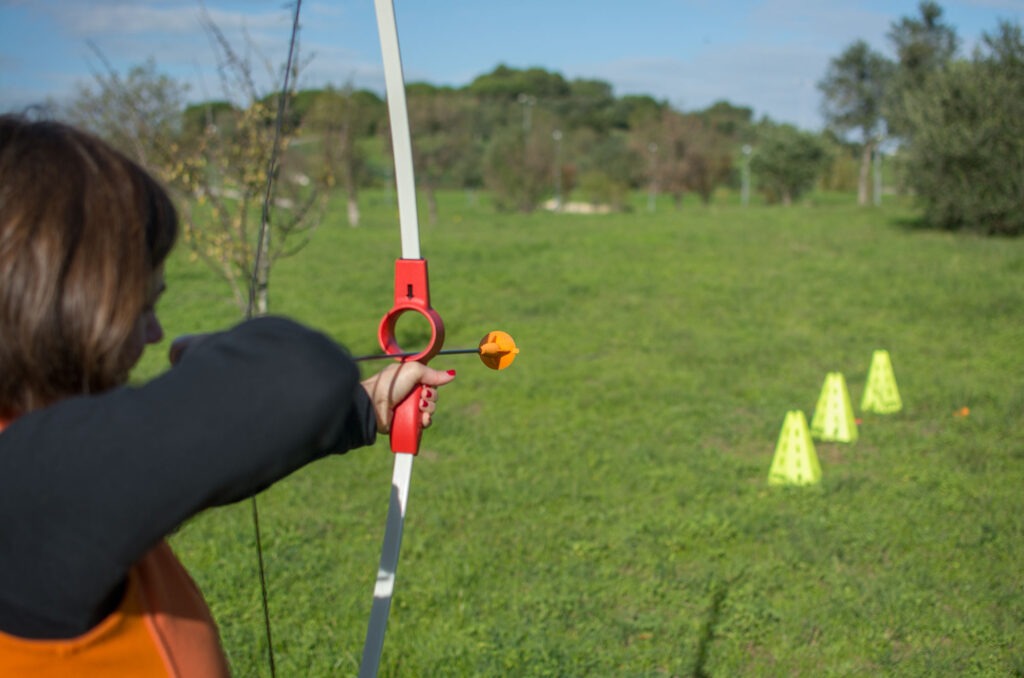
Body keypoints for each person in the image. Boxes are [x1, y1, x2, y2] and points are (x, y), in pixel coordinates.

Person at [0, 114, 455, 675]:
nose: (155, 334)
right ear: (53, 306)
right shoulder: (28, 483)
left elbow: (146, 469)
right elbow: (298, 376)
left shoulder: (39, 468)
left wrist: (364, 408)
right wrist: (221, 357)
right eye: (142, 305)